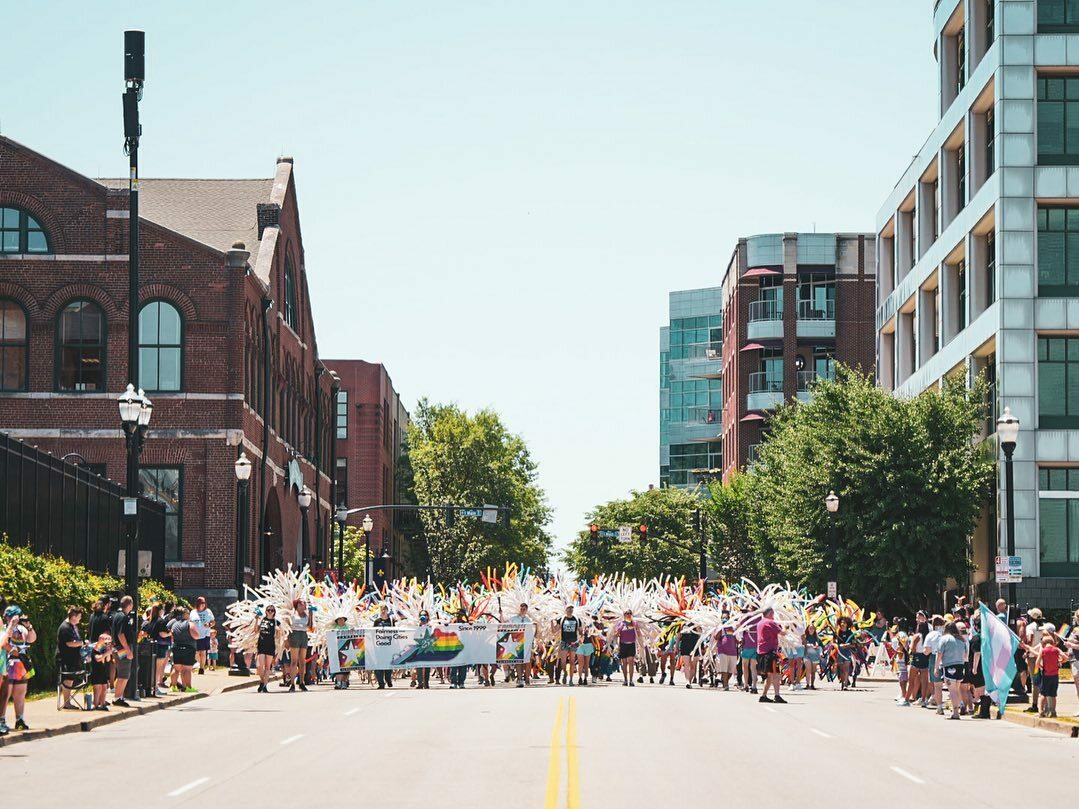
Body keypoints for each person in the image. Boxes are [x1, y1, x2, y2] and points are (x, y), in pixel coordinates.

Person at [0, 606, 36, 732]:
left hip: (20, 664)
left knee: (20, 693)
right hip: (8, 663)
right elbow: (4, 642)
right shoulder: (5, 628)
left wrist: (29, 627)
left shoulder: (22, 629)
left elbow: (32, 639)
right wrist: (11, 625)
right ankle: (2, 719)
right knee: (5, 694)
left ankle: (19, 719)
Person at [937, 621, 968, 720]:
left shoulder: (944, 639)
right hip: (960, 665)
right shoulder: (961, 640)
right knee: (956, 690)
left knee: (952, 690)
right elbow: (965, 654)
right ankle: (956, 709)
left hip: (949, 665)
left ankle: (955, 712)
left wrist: (936, 667)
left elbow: (939, 654)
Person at [57, 606, 86, 710]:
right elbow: (69, 643)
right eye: (79, 617)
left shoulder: (73, 626)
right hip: (66, 658)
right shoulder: (65, 628)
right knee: (68, 679)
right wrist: (81, 643)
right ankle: (66, 702)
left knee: (71, 679)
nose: (80, 619)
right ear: (73, 616)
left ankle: (68, 702)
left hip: (73, 657)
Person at [756, 607, 785, 704]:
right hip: (769, 652)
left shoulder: (760, 622)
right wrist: (785, 625)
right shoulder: (770, 622)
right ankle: (776, 695)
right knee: (775, 674)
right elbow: (783, 633)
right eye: (773, 613)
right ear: (770, 613)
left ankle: (764, 696)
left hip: (762, 652)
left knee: (770, 675)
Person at [111, 595, 137, 707]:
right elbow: (120, 634)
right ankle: (117, 698)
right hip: (122, 648)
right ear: (130, 604)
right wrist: (128, 650)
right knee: (124, 674)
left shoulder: (117, 615)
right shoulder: (123, 617)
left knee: (121, 672)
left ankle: (119, 696)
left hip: (117, 647)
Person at [1035, 627, 1064, 718]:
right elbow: (1066, 657)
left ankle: (1041, 711)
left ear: (1043, 643)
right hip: (1055, 675)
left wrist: (1041, 666)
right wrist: (1060, 661)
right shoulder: (1056, 649)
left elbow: (1037, 663)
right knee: (1053, 695)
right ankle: (1053, 711)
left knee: (1043, 694)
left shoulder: (1043, 650)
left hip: (1046, 675)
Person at [169, 607, 200, 693]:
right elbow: (196, 635)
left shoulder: (174, 624)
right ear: (185, 615)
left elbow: (172, 636)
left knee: (176, 668)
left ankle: (173, 686)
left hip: (176, 647)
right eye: (188, 613)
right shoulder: (189, 623)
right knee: (187, 669)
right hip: (188, 648)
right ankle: (188, 687)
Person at [287, 599, 314, 692]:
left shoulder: (306, 615)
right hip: (294, 635)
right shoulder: (292, 615)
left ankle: (301, 682)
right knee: (294, 661)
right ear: (297, 606)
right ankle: (292, 683)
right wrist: (286, 640)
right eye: (302, 604)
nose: (304, 606)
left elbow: (310, 626)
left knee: (302, 661)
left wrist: (311, 615)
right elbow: (287, 627)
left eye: (305, 604)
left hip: (303, 635)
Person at [923, 615, 946, 711]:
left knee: (937, 685)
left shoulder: (931, 635)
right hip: (948, 658)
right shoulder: (946, 634)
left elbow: (926, 651)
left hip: (934, 657)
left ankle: (939, 706)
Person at [256, 605, 280, 693]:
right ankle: (262, 681)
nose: (270, 612)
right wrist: (256, 620)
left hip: (270, 645)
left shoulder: (276, 622)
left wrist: (278, 630)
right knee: (259, 666)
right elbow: (256, 630)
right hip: (261, 644)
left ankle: (265, 686)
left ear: (274, 612)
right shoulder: (262, 620)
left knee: (267, 667)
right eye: (268, 610)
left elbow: (280, 636)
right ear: (266, 611)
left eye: (272, 610)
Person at [189, 596, 215, 675]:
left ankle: (201, 668)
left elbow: (213, 622)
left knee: (203, 652)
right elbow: (189, 622)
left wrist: (209, 624)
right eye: (201, 603)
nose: (203, 604)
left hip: (205, 634)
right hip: (195, 634)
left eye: (204, 602)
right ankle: (199, 663)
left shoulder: (208, 611)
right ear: (198, 603)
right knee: (196, 652)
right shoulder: (193, 612)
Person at [510, 603, 534, 688]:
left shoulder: (529, 620)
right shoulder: (514, 619)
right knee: (518, 661)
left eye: (524, 609)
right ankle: (520, 679)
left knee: (528, 662)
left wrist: (532, 644)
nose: (522, 610)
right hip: (517, 642)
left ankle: (527, 678)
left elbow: (532, 632)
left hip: (527, 643)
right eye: (521, 609)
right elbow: (505, 625)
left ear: (526, 610)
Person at [558, 605, 582, 687]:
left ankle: (571, 680)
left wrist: (582, 632)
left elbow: (580, 630)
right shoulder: (561, 619)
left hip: (573, 642)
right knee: (563, 661)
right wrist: (551, 622)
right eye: (569, 608)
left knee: (572, 661)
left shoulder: (577, 619)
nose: (570, 610)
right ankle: (565, 672)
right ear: (565, 610)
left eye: (571, 608)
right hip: (564, 641)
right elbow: (555, 630)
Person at [88, 631, 113, 712]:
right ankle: (95, 705)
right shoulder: (96, 648)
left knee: (104, 688)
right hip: (96, 671)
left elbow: (108, 660)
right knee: (97, 688)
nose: (107, 641)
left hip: (103, 670)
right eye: (106, 639)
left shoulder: (104, 648)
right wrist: (106, 653)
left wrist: (108, 653)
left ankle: (103, 704)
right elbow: (97, 658)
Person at [714, 623, 738, 691]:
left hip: (733, 652)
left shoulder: (733, 627)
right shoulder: (720, 627)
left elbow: (737, 639)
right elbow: (716, 637)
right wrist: (721, 629)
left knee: (731, 670)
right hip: (722, 651)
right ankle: (725, 685)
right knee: (724, 669)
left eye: (727, 618)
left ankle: (725, 681)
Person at [835, 616, 857, 691]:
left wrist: (848, 645)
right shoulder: (838, 632)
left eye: (844, 623)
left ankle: (845, 685)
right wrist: (840, 645)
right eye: (841, 622)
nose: (842, 624)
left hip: (847, 652)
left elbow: (854, 644)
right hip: (840, 652)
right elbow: (834, 643)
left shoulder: (850, 633)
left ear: (847, 624)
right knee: (841, 669)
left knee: (846, 669)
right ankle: (842, 683)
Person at [449, 608, 469, 689]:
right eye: (457, 614)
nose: (458, 616)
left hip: (463, 647)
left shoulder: (466, 624)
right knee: (454, 666)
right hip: (454, 648)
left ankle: (461, 682)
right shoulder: (452, 624)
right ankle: (453, 682)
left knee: (463, 666)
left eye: (460, 615)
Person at [678, 622, 701, 690]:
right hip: (685, 646)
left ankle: (689, 681)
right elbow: (678, 636)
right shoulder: (682, 624)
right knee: (686, 664)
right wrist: (676, 646)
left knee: (693, 666)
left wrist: (698, 627)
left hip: (695, 647)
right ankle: (687, 681)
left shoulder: (698, 624)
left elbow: (700, 635)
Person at [414, 611, 433, 690]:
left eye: (425, 615)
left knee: (427, 666)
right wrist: (419, 626)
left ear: (427, 616)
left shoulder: (431, 625)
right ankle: (420, 683)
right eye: (421, 615)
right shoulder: (417, 625)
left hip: (427, 648)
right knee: (419, 666)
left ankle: (426, 682)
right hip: (419, 648)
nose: (423, 616)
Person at [804, 623, 822, 691]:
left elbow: (819, 645)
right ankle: (807, 684)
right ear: (808, 629)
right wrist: (808, 645)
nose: (811, 630)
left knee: (813, 671)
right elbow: (803, 644)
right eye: (810, 628)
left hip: (815, 655)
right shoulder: (805, 636)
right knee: (808, 670)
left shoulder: (817, 637)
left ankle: (812, 684)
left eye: (813, 628)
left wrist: (816, 646)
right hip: (807, 655)